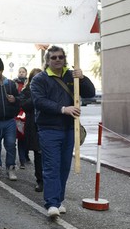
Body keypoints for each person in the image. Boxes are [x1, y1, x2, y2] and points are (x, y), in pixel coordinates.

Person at [30, 45, 95, 218]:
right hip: (49, 128)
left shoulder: (71, 75)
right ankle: (51, 203)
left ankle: (59, 200)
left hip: (69, 128)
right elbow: (39, 101)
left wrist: (82, 78)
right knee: (52, 166)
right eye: (54, 58)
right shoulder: (39, 79)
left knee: (64, 166)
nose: (58, 60)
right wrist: (62, 109)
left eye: (60, 57)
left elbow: (90, 92)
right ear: (47, 60)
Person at [0, 56, 21, 181]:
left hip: (9, 121)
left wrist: (14, 101)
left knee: (11, 145)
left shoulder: (11, 84)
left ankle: (11, 168)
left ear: (2, 70)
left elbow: (19, 100)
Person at [18, 68, 44, 192]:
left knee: (48, 155)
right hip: (33, 126)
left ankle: (49, 180)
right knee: (38, 154)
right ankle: (40, 180)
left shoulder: (48, 89)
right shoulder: (26, 91)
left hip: (47, 125)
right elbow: (24, 105)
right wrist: (36, 95)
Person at [14, 66, 30, 168]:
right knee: (20, 137)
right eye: (20, 72)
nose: (21, 73)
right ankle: (22, 160)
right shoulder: (15, 84)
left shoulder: (29, 84)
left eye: (23, 72)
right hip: (17, 115)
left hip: (27, 113)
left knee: (26, 137)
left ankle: (25, 155)